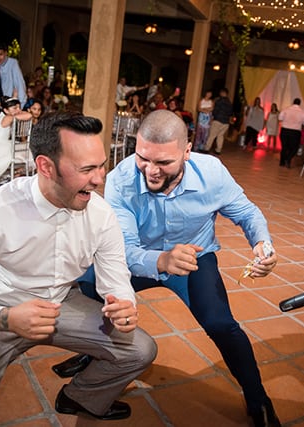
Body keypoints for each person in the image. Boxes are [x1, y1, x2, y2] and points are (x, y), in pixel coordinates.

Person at [0, 111, 158, 426]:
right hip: (1, 306)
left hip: (63, 301)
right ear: (45, 166)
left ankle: (81, 396)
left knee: (141, 349)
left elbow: (116, 280)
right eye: (86, 169)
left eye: (101, 165)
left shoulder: (101, 214)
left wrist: (124, 304)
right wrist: (4, 318)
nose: (99, 178)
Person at [58, 110, 282, 427]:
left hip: (195, 258)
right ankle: (95, 351)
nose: (151, 170)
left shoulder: (212, 173)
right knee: (92, 285)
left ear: (187, 152)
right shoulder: (122, 179)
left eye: (163, 163)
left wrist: (262, 244)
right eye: (143, 158)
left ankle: (258, 399)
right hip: (141, 256)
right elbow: (123, 250)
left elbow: (246, 212)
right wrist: (161, 261)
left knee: (222, 325)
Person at [278, 98, 304, 168]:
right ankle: (288, 159)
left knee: (284, 147)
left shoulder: (286, 109)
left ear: (293, 102)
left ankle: (282, 162)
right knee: (294, 148)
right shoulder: (302, 112)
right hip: (295, 132)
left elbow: (280, 118)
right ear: (299, 103)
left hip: (285, 130)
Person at [203, 88, 233, 155]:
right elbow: (231, 113)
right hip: (226, 122)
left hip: (218, 120)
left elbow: (215, 110)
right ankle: (218, 150)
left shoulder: (219, 101)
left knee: (212, 135)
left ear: (222, 93)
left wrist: (212, 118)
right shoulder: (229, 103)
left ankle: (206, 148)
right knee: (220, 136)